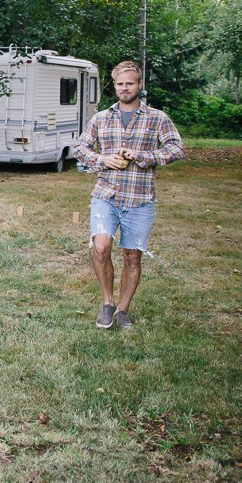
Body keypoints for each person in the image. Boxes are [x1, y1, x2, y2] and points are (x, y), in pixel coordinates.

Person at [70, 60, 185, 330]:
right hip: (105, 194)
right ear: (115, 86)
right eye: (120, 84)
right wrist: (102, 159)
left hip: (140, 198)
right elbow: (79, 148)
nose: (125, 88)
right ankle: (107, 303)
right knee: (101, 247)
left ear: (139, 85)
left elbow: (176, 149)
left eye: (130, 83)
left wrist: (143, 156)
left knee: (132, 256)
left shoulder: (157, 118)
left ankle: (123, 310)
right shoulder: (101, 117)